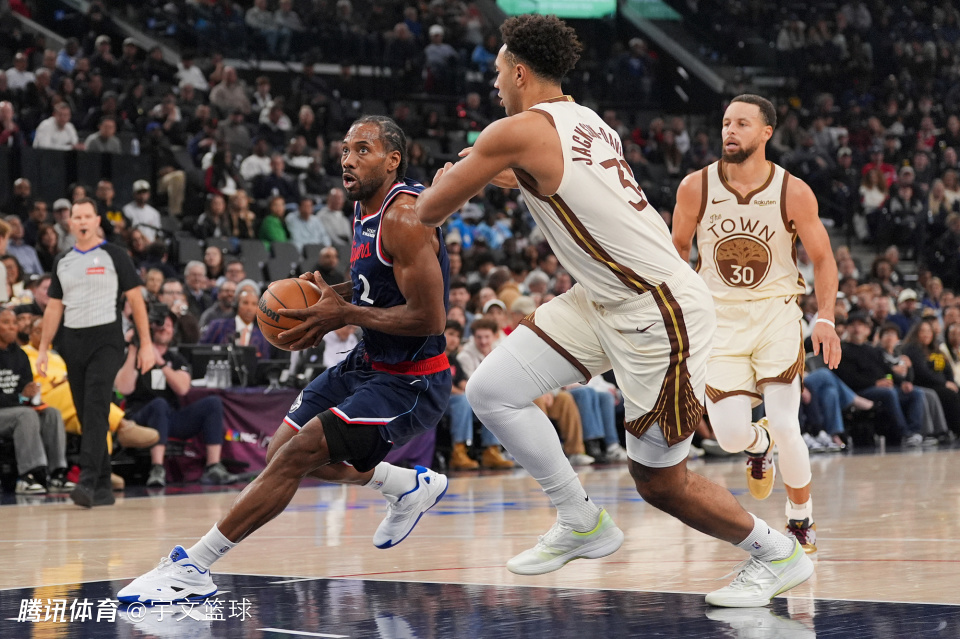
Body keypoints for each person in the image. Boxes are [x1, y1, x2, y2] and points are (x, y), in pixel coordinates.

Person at [414, 15, 813, 607]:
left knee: (659, 483)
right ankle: (579, 519)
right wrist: (491, 173)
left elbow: (429, 211)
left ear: (519, 72)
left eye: (498, 71)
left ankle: (778, 554)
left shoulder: (512, 131)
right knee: (492, 389)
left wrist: (452, 179)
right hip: (605, 296)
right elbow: (548, 180)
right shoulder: (589, 122)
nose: (494, 83)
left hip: (658, 309)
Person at [118, 116, 452, 604]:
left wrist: (344, 313)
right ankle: (404, 484)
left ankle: (193, 567)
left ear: (392, 160)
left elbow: (430, 318)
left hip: (412, 381)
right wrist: (326, 300)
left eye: (363, 150)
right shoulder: (363, 209)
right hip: (368, 361)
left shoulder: (403, 218)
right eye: (344, 150)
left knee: (298, 455)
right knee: (280, 452)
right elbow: (376, 287)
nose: (348, 160)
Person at [672, 94, 842, 555]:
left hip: (775, 313)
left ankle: (800, 519)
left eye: (742, 123)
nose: (730, 130)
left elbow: (824, 259)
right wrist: (680, 308)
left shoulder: (792, 190)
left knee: (787, 423)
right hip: (719, 318)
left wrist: (825, 317)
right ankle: (756, 441)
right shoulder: (695, 187)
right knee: (729, 436)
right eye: (726, 122)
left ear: (766, 132)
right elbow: (677, 251)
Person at [37, 198, 155, 507]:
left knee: (95, 404)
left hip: (107, 339)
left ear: (97, 220)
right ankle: (103, 485)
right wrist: (43, 349)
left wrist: (146, 343)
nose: (82, 221)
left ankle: (87, 479)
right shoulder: (62, 260)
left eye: (88, 216)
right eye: (77, 217)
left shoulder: (115, 255)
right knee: (85, 411)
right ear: (70, 223)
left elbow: (136, 300)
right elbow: (54, 307)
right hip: (72, 341)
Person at [116, 310, 236, 488]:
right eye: (160, 325)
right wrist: (134, 349)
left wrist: (161, 363)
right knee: (158, 404)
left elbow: (182, 388)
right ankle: (157, 468)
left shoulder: (175, 358)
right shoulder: (136, 356)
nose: (165, 329)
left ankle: (213, 466)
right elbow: (123, 389)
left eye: (169, 326)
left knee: (213, 403)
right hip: (140, 418)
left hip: (170, 416)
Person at [0, 308, 72, 495]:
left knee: (51, 413)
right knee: (25, 415)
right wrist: (21, 398)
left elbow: (25, 389)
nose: (12, 327)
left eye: (14, 323)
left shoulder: (19, 355)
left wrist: (31, 397)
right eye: (6, 323)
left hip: (17, 409)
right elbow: (18, 397)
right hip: (7, 412)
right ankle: (28, 475)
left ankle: (57, 474)